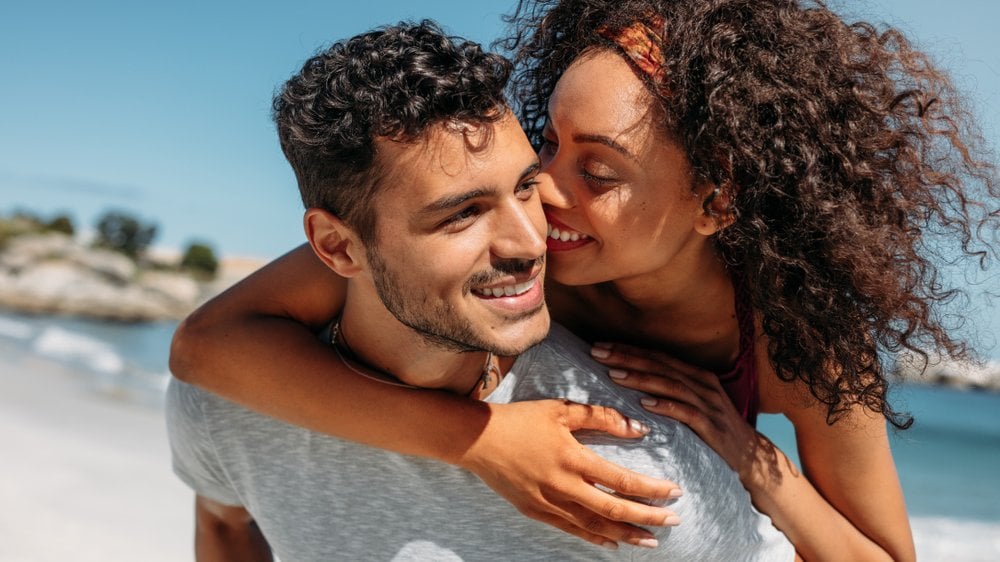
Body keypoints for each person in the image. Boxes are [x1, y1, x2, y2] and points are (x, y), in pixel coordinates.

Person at [171, 1, 999, 560]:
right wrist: (483, 442)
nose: (544, 199)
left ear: (716, 200)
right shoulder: (529, 252)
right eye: (548, 149)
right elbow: (209, 347)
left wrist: (750, 458)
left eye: (597, 171)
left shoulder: (794, 337)